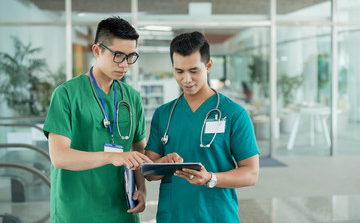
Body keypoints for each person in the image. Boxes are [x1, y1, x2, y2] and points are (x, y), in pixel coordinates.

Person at [43, 16, 152, 223]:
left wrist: (142, 189)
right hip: (76, 211)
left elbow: (138, 151)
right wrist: (110, 157)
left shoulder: (132, 97)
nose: (125, 64)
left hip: (121, 209)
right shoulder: (66, 94)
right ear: (96, 51)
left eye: (131, 57)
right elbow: (59, 157)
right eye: (118, 55)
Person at [145, 31, 260, 223]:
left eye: (194, 71)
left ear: (208, 66)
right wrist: (164, 162)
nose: (186, 79)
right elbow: (148, 172)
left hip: (216, 215)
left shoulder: (234, 113)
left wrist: (210, 178)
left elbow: (251, 173)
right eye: (179, 71)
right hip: (173, 216)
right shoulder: (164, 114)